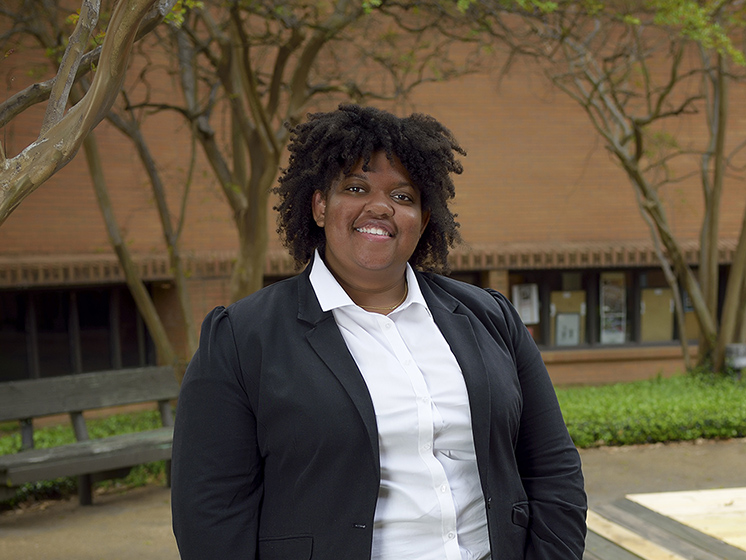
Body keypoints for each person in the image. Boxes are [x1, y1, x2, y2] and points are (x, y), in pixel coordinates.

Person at [170, 104, 588, 560]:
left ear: (424, 220)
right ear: (319, 204)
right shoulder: (240, 338)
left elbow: (554, 468)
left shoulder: (490, 317)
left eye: (403, 196)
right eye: (355, 187)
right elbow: (210, 512)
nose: (380, 206)